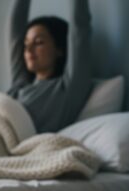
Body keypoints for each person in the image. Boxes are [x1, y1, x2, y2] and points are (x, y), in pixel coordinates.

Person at [8, 0, 92, 133]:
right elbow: (15, 33)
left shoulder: (67, 88)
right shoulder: (21, 85)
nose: (28, 50)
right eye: (26, 44)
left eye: (38, 42)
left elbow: (80, 28)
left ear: (59, 49)